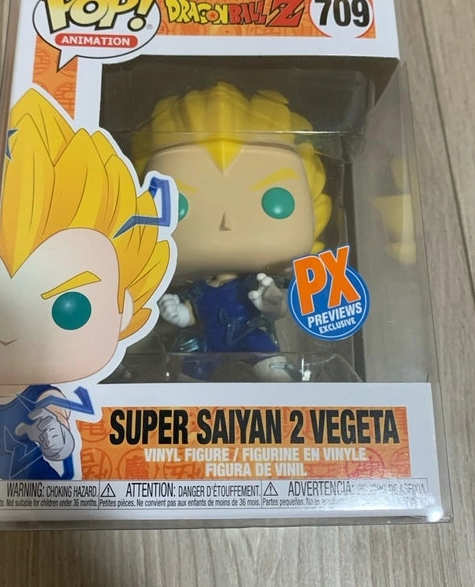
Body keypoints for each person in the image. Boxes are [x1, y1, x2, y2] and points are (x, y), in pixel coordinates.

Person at [0, 88, 175, 479]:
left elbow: (64, 443)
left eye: (70, 308)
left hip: (29, 486)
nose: (8, 333)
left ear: (124, 309)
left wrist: (53, 437)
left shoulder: (46, 399)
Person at [133, 81, 331, 381]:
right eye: (179, 204)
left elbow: (275, 308)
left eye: (275, 202)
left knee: (267, 361)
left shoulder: (253, 283)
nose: (226, 222)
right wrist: (180, 314)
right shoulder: (198, 289)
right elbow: (193, 314)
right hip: (207, 343)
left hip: (249, 336)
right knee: (187, 371)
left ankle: (281, 385)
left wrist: (274, 303)